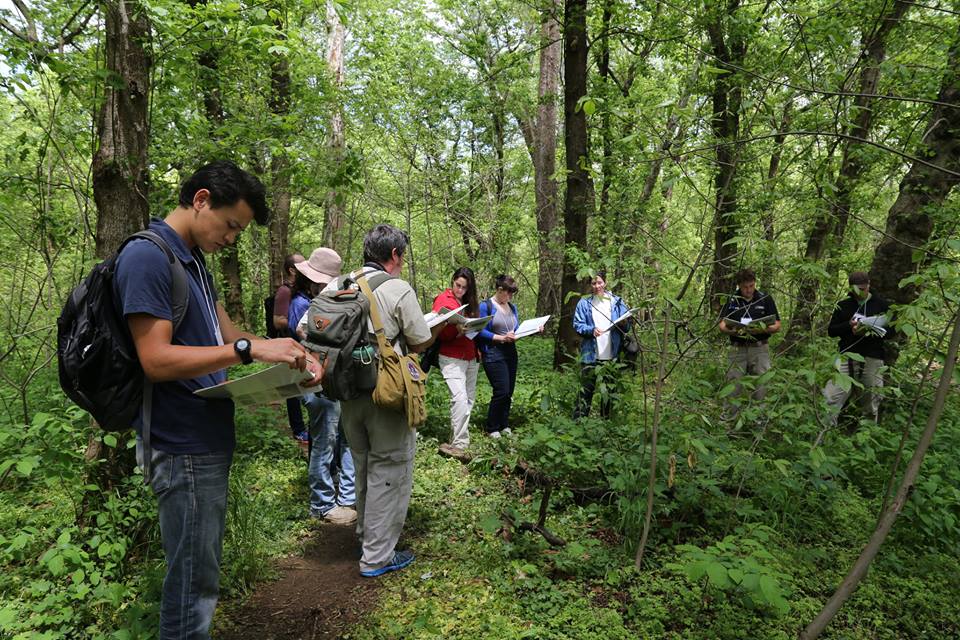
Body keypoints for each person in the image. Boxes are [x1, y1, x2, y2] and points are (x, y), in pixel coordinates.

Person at [113, 161, 321, 639]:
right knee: (192, 584)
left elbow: (229, 339)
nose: (232, 238)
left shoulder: (194, 264)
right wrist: (249, 349)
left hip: (204, 439)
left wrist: (290, 360)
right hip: (179, 442)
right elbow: (156, 359)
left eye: (240, 231)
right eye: (231, 225)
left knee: (200, 575)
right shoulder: (148, 258)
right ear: (201, 200)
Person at [316, 224, 445, 577]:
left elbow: (306, 327)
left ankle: (365, 536)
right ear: (394, 255)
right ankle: (376, 557)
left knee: (362, 464)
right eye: (401, 256)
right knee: (390, 469)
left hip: (347, 392)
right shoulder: (396, 288)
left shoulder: (339, 284)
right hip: (385, 392)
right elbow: (419, 341)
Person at [291, 248, 358, 525]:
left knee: (326, 441)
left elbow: (300, 331)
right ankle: (340, 499)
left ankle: (329, 502)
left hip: (321, 382)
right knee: (341, 439)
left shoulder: (322, 300)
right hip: (340, 380)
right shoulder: (347, 296)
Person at [822, 271, 891, 427]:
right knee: (831, 397)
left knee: (871, 398)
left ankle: (866, 436)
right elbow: (832, 331)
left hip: (872, 356)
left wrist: (871, 330)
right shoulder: (843, 305)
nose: (861, 292)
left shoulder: (881, 305)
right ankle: (824, 433)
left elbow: (892, 331)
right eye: (857, 289)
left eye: (863, 288)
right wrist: (849, 326)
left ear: (868, 285)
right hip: (846, 355)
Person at [572, 271, 633, 419]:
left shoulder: (617, 302)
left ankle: (606, 423)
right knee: (585, 390)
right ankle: (579, 422)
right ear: (590, 285)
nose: (597, 286)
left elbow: (627, 327)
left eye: (599, 282)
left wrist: (625, 322)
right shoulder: (584, 303)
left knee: (609, 394)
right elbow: (577, 324)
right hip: (590, 355)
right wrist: (591, 330)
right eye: (593, 283)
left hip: (612, 355)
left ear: (605, 283)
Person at [433, 267, 481, 458]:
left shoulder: (468, 302)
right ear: (452, 281)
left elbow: (475, 330)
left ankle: (457, 438)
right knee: (459, 398)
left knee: (468, 399)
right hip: (451, 356)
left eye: (464, 287)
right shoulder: (443, 300)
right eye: (457, 285)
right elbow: (438, 332)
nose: (460, 290)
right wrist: (456, 330)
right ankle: (460, 444)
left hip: (470, 355)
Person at [718, 268, 781, 411]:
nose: (749, 290)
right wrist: (730, 330)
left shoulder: (765, 298)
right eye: (745, 287)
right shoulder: (731, 299)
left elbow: (777, 325)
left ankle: (759, 423)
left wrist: (761, 329)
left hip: (759, 349)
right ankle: (729, 423)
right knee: (733, 386)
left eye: (751, 286)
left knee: (761, 386)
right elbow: (722, 324)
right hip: (737, 348)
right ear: (739, 285)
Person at [477, 275, 521, 438]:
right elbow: (480, 330)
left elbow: (516, 328)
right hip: (494, 351)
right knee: (501, 390)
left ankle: (504, 424)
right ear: (499, 290)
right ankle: (492, 427)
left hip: (511, 351)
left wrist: (533, 330)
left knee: (509, 390)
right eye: (508, 293)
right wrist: (501, 338)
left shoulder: (512, 307)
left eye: (512, 293)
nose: (510, 296)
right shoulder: (486, 306)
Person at [272, 253, 308, 442]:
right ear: (292, 270)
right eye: (302, 264)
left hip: (298, 346)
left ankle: (302, 428)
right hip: (288, 345)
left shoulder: (300, 290)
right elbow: (278, 321)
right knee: (292, 390)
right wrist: (297, 320)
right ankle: (298, 429)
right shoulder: (285, 291)